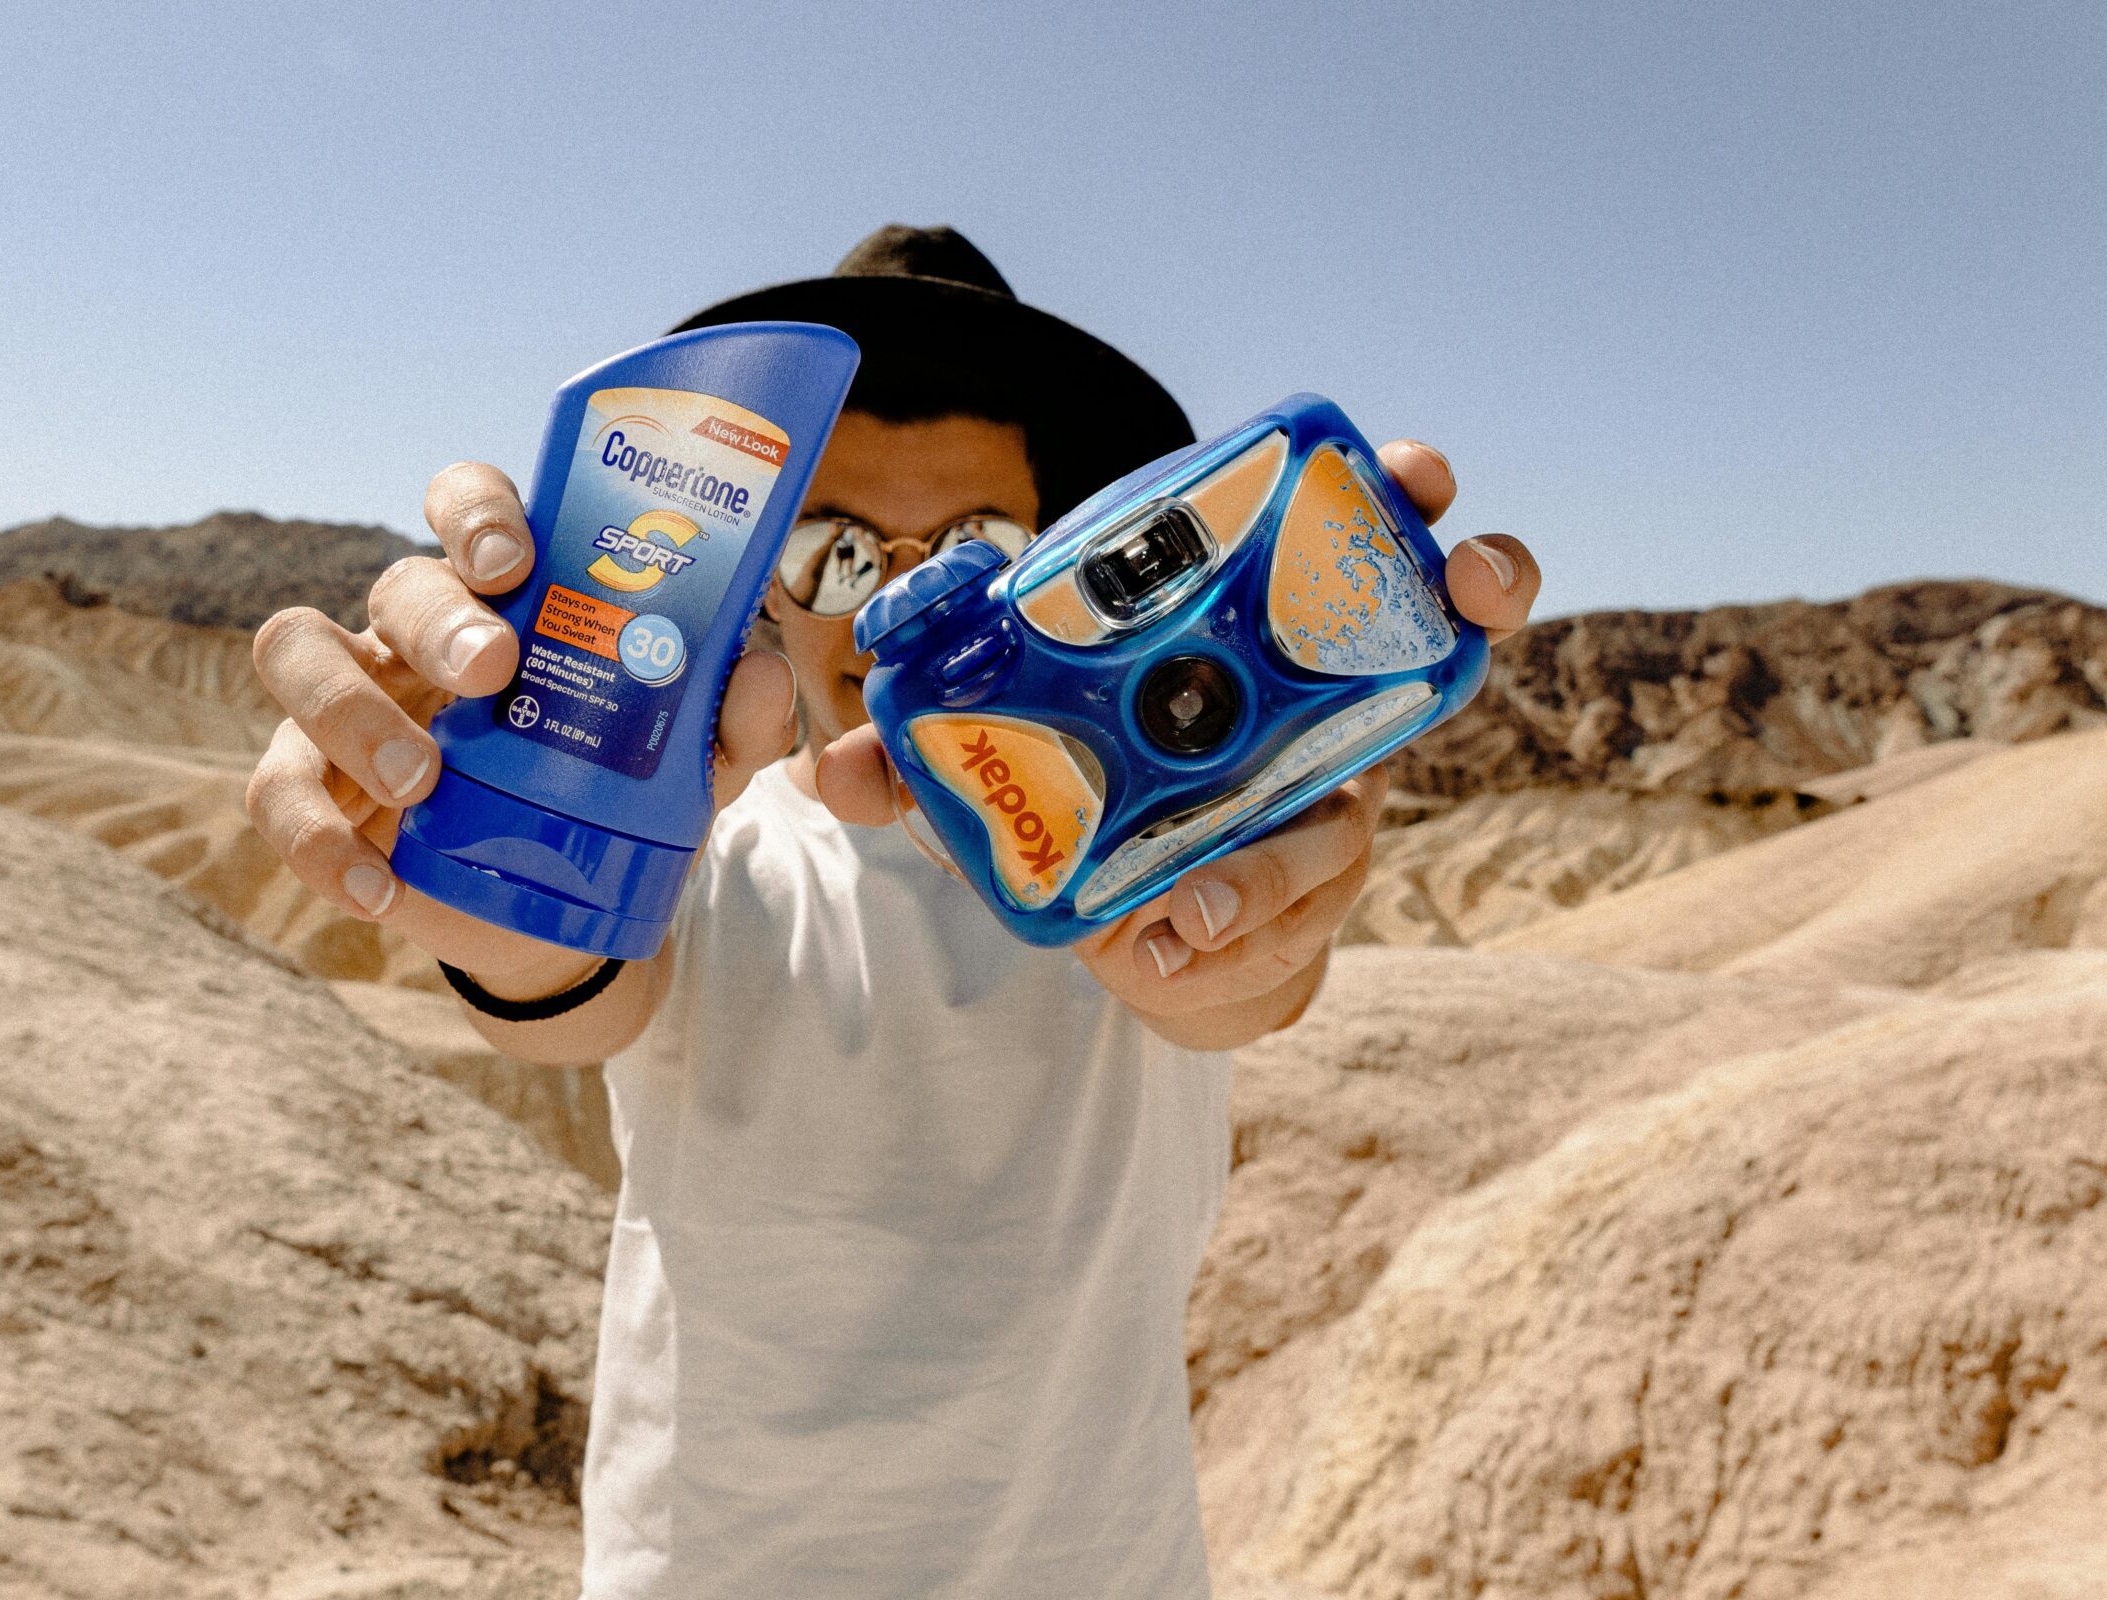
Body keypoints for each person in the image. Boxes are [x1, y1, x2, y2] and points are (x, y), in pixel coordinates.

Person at [246, 225, 1539, 1598]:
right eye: (833, 552)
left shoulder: (1148, 857)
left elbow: (1232, 981)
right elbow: (558, 973)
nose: (896, 604)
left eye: (978, 546)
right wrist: (472, 805)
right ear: (758, 578)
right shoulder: (684, 847)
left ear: (1076, 552)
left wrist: (1230, 916)